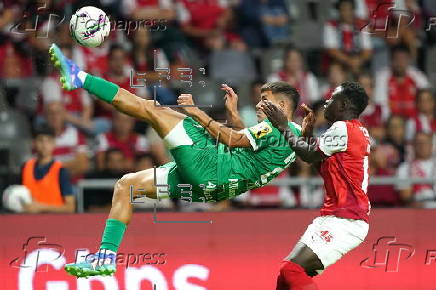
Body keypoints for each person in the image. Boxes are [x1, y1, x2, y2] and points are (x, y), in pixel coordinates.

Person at [48, 43, 312, 277]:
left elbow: (233, 140)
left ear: (282, 106)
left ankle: (80, 77)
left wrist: (196, 112)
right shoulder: (292, 136)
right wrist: (232, 114)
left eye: (264, 101)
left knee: (151, 109)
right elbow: (245, 148)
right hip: (208, 187)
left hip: (208, 165)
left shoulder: (276, 127)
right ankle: (104, 258)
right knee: (127, 186)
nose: (258, 106)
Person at [260, 82, 370, 290]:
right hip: (336, 217)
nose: (326, 102)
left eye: (331, 99)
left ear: (344, 104)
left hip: (346, 219)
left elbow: (308, 154)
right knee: (286, 279)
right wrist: (307, 135)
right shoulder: (353, 130)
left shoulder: (343, 128)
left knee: (291, 270)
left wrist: (282, 124)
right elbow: (316, 160)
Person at [21, 124, 76, 213]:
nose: (44, 145)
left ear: (54, 144)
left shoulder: (61, 171)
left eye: (48, 141)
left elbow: (70, 207)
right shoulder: (25, 167)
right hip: (28, 221)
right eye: (40, 140)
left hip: (54, 222)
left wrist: (41, 207)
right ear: (34, 143)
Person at [396, 132, 436, 208]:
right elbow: (405, 196)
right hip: (418, 211)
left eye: (425, 143)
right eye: (418, 143)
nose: (422, 146)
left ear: (431, 145)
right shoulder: (404, 168)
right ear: (413, 146)